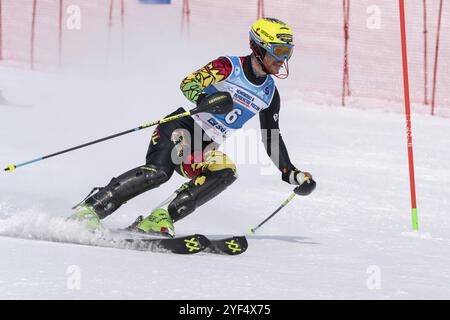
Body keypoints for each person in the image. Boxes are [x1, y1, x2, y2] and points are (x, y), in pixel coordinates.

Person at [68, 17, 316, 237]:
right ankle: (91, 209)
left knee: (226, 170)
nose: (283, 60)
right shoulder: (229, 66)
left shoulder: (270, 93)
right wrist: (205, 101)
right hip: (182, 128)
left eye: (289, 52)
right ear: (258, 47)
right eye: (279, 51)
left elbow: (271, 137)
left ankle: (160, 217)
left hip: (204, 147)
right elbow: (189, 83)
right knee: (158, 173)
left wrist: (291, 172)